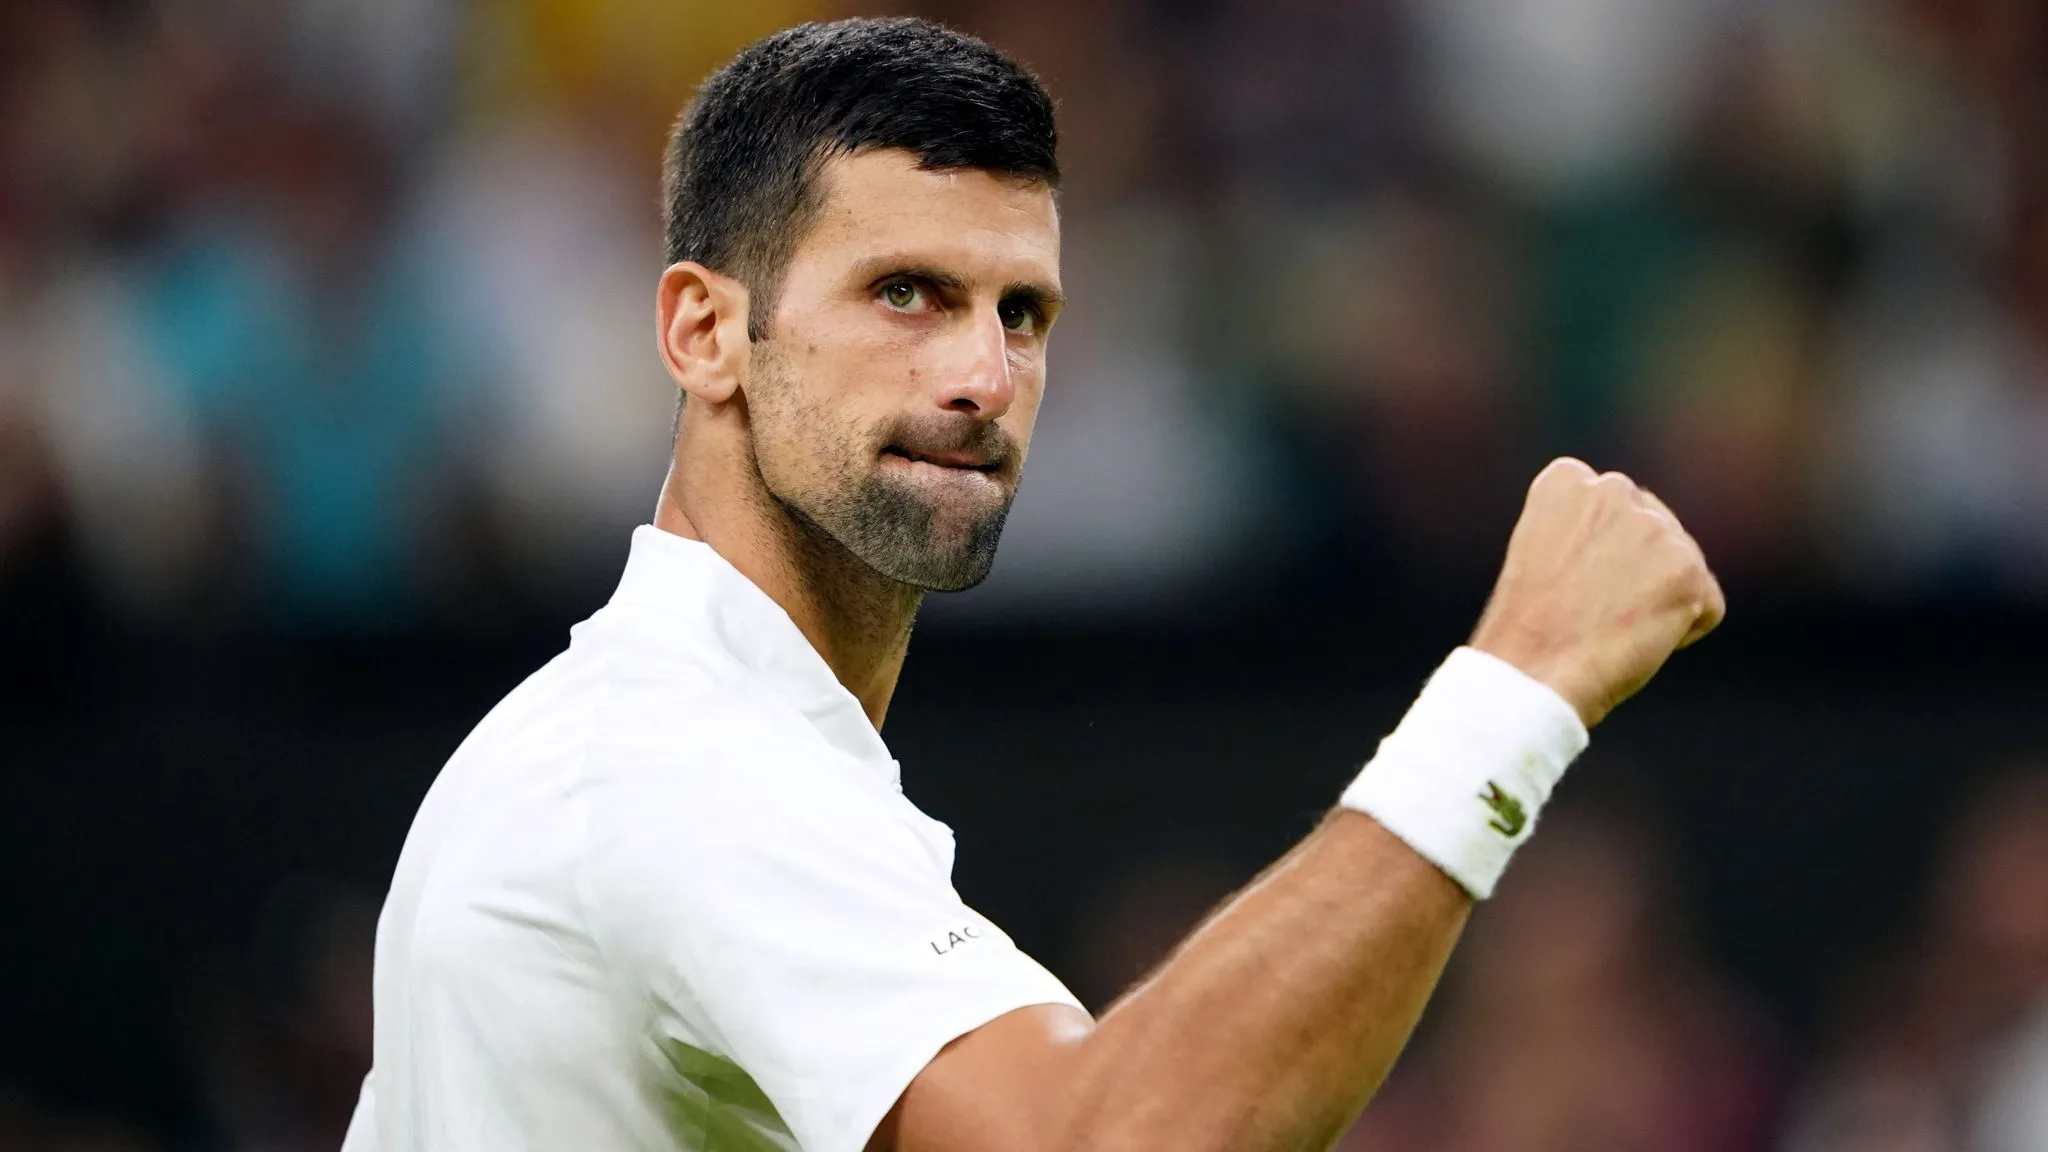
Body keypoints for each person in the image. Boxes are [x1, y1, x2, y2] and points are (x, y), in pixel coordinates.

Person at [342, 17, 1724, 1152]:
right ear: (706, 332)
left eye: (1023, 313)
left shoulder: (616, 745)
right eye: (904, 293)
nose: (983, 378)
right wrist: (1518, 683)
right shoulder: (675, 763)